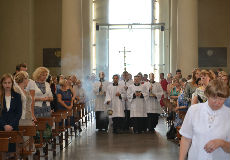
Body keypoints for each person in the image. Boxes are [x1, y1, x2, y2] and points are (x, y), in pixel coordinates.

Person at [179, 80, 230, 160]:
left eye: (221, 99)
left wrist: (222, 143)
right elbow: (186, 139)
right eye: (214, 98)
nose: (218, 102)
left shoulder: (228, 114)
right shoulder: (194, 110)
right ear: (207, 95)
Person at [0, 73, 22, 152]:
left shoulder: (17, 96)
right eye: (5, 83)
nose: (7, 85)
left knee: (12, 151)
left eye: (9, 82)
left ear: (12, 83)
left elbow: (19, 113)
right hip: (1, 127)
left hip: (13, 127)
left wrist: (11, 125)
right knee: (3, 151)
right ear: (2, 84)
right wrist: (4, 125)